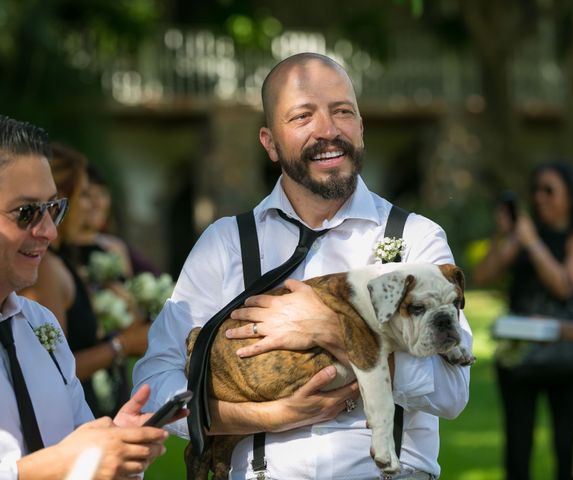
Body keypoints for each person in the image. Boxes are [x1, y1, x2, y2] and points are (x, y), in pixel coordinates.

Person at [133, 52, 472, 479]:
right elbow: (154, 388)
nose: (327, 131)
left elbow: (453, 393)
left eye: (342, 112)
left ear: (361, 127)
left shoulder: (417, 238)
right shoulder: (225, 244)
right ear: (270, 142)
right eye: (302, 117)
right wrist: (266, 416)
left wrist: (328, 329)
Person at [0, 114, 172, 479]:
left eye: (53, 208)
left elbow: (75, 448)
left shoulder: (40, 323)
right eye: (26, 212)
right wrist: (66, 463)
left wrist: (115, 448)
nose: (47, 230)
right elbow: (65, 462)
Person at [473, 161, 573, 480]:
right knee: (517, 445)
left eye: (550, 190)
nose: (541, 197)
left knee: (567, 443)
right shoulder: (523, 234)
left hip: (567, 355)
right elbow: (483, 276)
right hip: (520, 355)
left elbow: (566, 287)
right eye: (536, 190)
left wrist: (531, 243)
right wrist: (503, 236)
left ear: (570, 195)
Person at [20, 144, 149, 417]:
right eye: (84, 195)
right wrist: (122, 345)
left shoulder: (66, 259)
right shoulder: (46, 269)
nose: (89, 206)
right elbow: (52, 367)